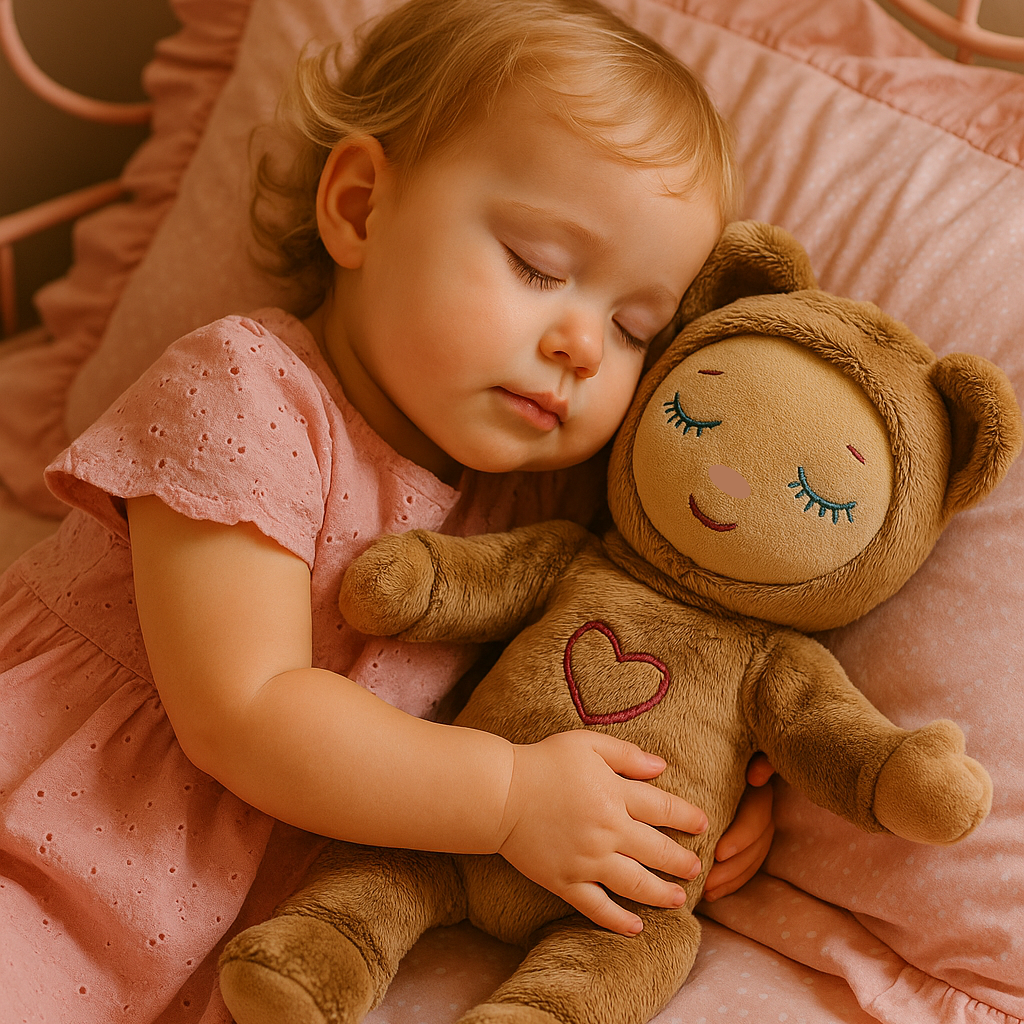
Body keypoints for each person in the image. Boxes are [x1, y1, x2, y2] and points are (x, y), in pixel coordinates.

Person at [0, 0, 773, 1019]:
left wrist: (689, 794)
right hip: (45, 848)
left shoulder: (524, 507)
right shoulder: (247, 391)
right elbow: (246, 712)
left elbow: (606, 656)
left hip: (219, 942)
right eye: (539, 266)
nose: (583, 345)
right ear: (360, 207)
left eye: (636, 327)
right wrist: (513, 798)